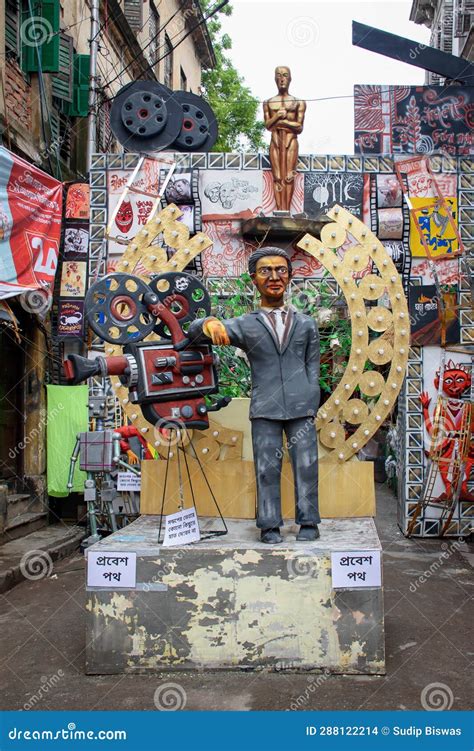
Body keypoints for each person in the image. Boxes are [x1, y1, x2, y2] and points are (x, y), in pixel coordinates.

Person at [188, 246, 321, 544]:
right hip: (265, 408)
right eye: (265, 271)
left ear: (289, 276)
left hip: (302, 407)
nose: (274, 277)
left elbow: (314, 367)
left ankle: (309, 521)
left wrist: (311, 399)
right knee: (266, 467)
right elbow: (193, 333)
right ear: (253, 279)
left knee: (307, 464)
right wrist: (208, 323)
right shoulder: (246, 325)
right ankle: (269, 524)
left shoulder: (307, 324)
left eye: (280, 270)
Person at [263, 66, 306, 212]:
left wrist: (284, 122)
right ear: (275, 78)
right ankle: (279, 211)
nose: (282, 78)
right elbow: (268, 125)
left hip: (290, 141)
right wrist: (276, 117)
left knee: (288, 176)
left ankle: (286, 211)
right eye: (279, 75)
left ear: (290, 79)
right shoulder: (268, 102)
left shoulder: (298, 102)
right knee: (277, 177)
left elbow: (299, 127)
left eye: (285, 75)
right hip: (275, 141)